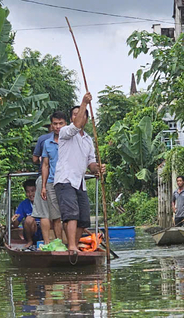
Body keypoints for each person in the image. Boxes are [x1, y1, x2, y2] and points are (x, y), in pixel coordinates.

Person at [54, 92, 105, 252]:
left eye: (81, 114)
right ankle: (71, 247)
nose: (78, 117)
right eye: (75, 115)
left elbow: (90, 164)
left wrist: (98, 168)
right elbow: (75, 126)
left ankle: (74, 245)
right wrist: (83, 102)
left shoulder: (88, 139)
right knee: (72, 214)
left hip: (79, 182)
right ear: (71, 119)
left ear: (87, 119)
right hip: (65, 180)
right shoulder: (65, 132)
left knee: (83, 219)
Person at [37, 111, 67, 244]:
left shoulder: (70, 140)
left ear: (66, 124)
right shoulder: (47, 143)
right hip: (51, 182)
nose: (58, 127)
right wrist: (43, 186)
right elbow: (45, 165)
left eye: (61, 123)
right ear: (51, 125)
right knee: (55, 216)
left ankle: (70, 242)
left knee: (68, 215)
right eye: (55, 124)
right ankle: (59, 243)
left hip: (67, 182)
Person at [31, 124, 54, 242]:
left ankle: (47, 242)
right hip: (61, 179)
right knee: (58, 215)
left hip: (44, 178)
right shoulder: (69, 138)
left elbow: (35, 159)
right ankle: (60, 241)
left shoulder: (42, 139)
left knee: (44, 213)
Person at [12, 179, 42, 250]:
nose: (30, 194)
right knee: (28, 219)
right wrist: (14, 219)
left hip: (44, 232)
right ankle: (30, 241)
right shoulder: (23, 204)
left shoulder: (44, 201)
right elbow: (16, 224)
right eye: (28, 192)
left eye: (33, 191)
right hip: (31, 232)